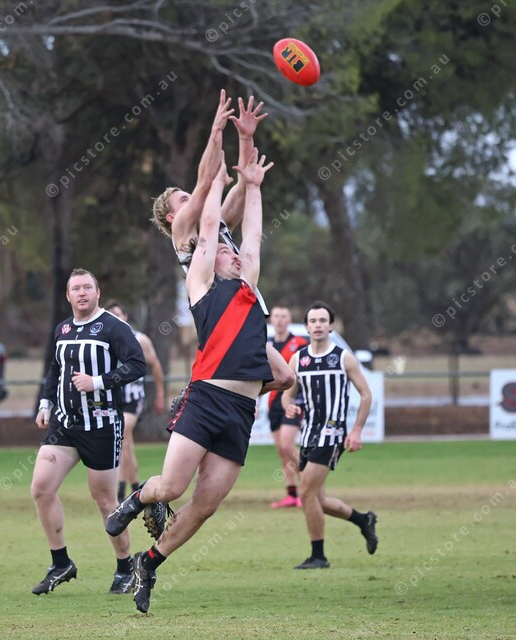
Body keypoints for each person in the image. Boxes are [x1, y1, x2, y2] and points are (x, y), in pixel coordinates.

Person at [106, 148, 273, 613]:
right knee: (172, 488)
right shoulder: (201, 281)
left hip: (241, 409)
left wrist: (252, 181)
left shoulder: (247, 282)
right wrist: (216, 175)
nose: (232, 253)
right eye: (223, 251)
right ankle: (136, 500)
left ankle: (149, 563)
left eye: (233, 252)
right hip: (207, 396)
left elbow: (251, 233)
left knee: (206, 505)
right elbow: (209, 220)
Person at [150, 89, 294, 394]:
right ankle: (205, 391)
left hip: (246, 311)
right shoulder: (183, 232)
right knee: (263, 377)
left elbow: (244, 184)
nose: (192, 199)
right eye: (184, 199)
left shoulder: (218, 224)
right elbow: (205, 181)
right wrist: (216, 130)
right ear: (172, 217)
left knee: (285, 377)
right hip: (219, 317)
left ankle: (220, 390)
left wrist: (245, 138)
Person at [31, 269, 146, 595]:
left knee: (105, 500)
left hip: (101, 426)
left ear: (97, 293)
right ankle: (61, 563)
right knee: (41, 488)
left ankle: (125, 568)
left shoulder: (114, 327)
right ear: (68, 295)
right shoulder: (63, 329)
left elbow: (137, 364)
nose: (81, 293)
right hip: (65, 426)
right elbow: (55, 369)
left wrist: (98, 382)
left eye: (87, 287)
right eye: (76, 288)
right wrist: (45, 403)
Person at [281, 301, 379, 569]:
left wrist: (356, 430)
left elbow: (366, 394)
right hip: (308, 434)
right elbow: (287, 394)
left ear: (331, 326)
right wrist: (288, 405)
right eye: (313, 321)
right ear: (306, 327)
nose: (318, 325)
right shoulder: (297, 359)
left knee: (305, 492)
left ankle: (319, 556)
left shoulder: (343, 357)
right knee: (318, 500)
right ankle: (364, 520)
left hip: (333, 434)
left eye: (323, 321)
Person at [104, 300, 166, 503]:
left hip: (133, 399)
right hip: (114, 399)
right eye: (110, 314)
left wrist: (160, 394)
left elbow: (155, 365)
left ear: (125, 316)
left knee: (121, 435)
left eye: (117, 314)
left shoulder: (139, 339)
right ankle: (136, 486)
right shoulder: (105, 340)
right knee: (127, 444)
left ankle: (121, 490)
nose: (114, 318)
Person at [267, 306, 308, 508]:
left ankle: (310, 483)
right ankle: (292, 494)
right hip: (273, 402)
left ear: (289, 320)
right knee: (282, 451)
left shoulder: (299, 343)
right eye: (276, 316)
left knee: (287, 446)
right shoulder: (266, 345)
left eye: (284, 316)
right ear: (271, 320)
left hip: (294, 401)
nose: (280, 320)